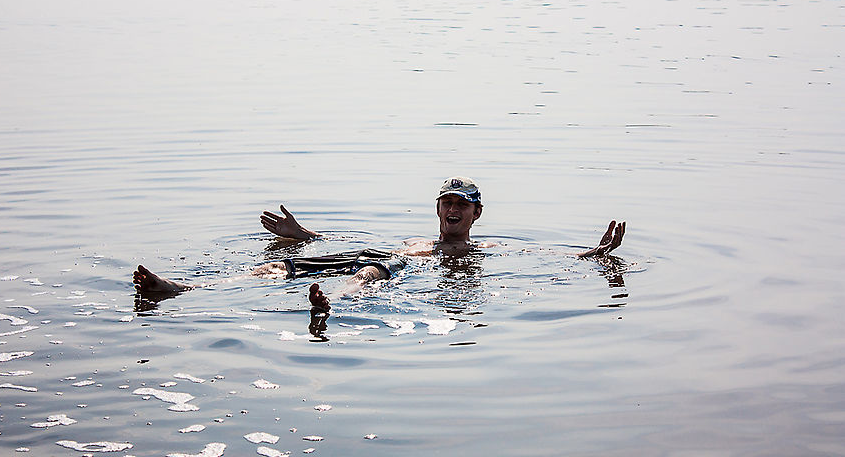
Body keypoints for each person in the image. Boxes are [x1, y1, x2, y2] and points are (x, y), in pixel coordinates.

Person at [133, 176, 625, 314]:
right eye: (446, 202)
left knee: (366, 276)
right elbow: (352, 241)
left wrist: (593, 255)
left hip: (397, 273)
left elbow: (539, 257)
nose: (453, 210)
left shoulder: (480, 252)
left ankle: (330, 304)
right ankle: (183, 288)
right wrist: (302, 238)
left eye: (463, 204)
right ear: (437, 210)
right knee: (275, 270)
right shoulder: (416, 239)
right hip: (382, 255)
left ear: (477, 214)